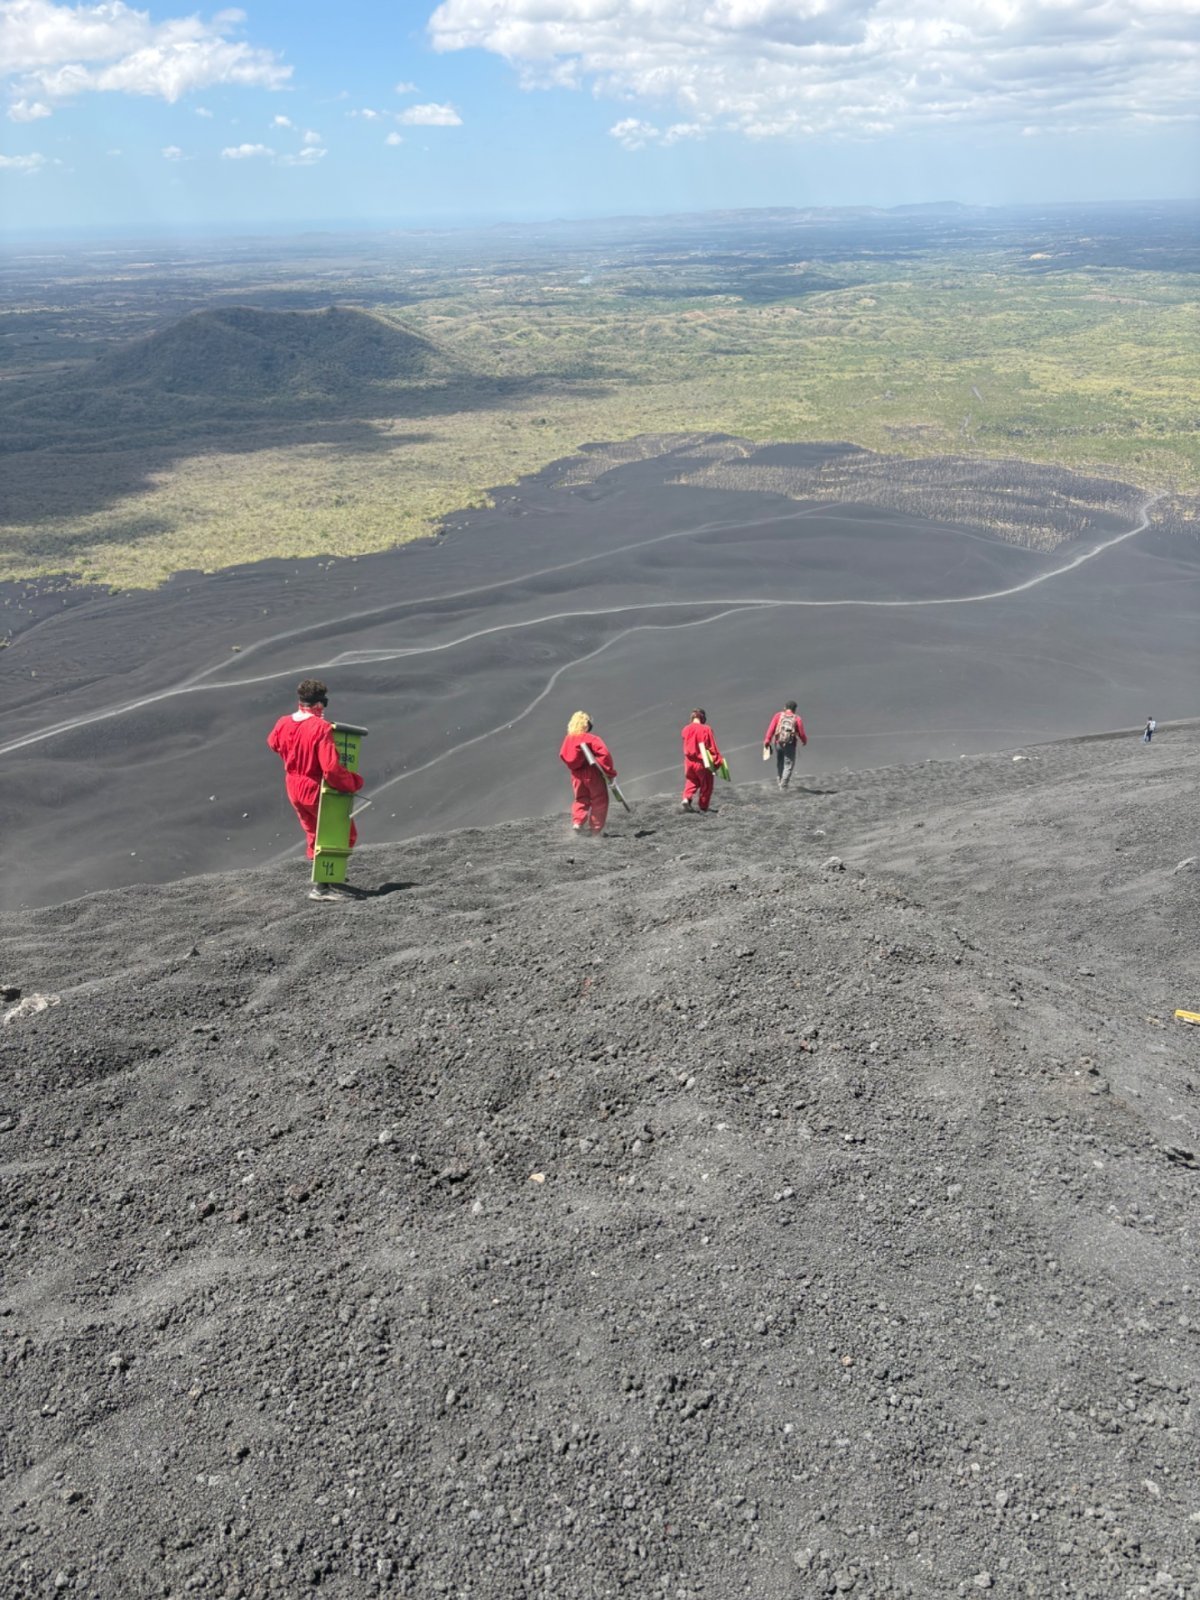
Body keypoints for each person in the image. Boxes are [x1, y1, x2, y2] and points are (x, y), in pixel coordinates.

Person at [267, 678, 364, 899]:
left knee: (313, 830)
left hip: (293, 784)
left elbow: (273, 743)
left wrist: (292, 753)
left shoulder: (283, 722)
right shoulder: (321, 728)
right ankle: (322, 887)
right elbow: (330, 768)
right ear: (319, 703)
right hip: (313, 786)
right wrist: (352, 782)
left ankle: (324, 874)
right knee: (338, 832)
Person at [560, 711, 616, 834]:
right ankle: (595, 829)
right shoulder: (591, 739)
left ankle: (577, 822)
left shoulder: (568, 739)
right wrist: (610, 773)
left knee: (580, 798)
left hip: (576, 775)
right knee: (599, 799)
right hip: (592, 773)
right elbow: (605, 755)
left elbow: (563, 755)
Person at [681, 708, 722, 813]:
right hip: (702, 761)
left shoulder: (685, 729)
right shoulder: (706, 729)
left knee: (691, 781)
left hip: (688, 762)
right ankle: (703, 807)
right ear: (702, 717)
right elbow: (712, 746)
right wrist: (717, 761)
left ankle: (686, 798)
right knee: (706, 784)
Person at [763, 699, 808, 790]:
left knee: (780, 762)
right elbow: (802, 733)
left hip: (778, 743)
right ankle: (783, 785)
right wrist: (804, 741)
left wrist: (767, 740)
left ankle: (780, 780)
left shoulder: (778, 716)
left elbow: (771, 729)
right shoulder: (797, 718)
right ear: (794, 709)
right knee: (788, 764)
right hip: (790, 744)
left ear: (785, 707)